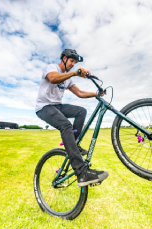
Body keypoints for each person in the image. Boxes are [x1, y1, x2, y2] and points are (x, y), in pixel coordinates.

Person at [35, 49, 109, 187]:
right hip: (44, 107)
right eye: (71, 61)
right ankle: (82, 172)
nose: (72, 64)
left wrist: (96, 93)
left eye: (74, 63)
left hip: (57, 106)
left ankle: (75, 144)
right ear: (64, 58)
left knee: (81, 111)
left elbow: (80, 93)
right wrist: (75, 73)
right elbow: (52, 78)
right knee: (66, 125)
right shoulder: (52, 68)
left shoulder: (68, 78)